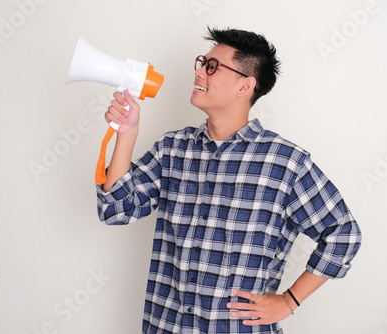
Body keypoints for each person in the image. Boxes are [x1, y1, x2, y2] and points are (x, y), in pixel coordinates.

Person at [97, 27, 361, 334]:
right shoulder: (172, 149)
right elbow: (115, 209)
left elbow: (344, 233)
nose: (199, 73)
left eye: (212, 67)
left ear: (245, 86)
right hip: (165, 326)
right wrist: (126, 134)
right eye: (201, 63)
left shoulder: (285, 162)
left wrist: (289, 301)